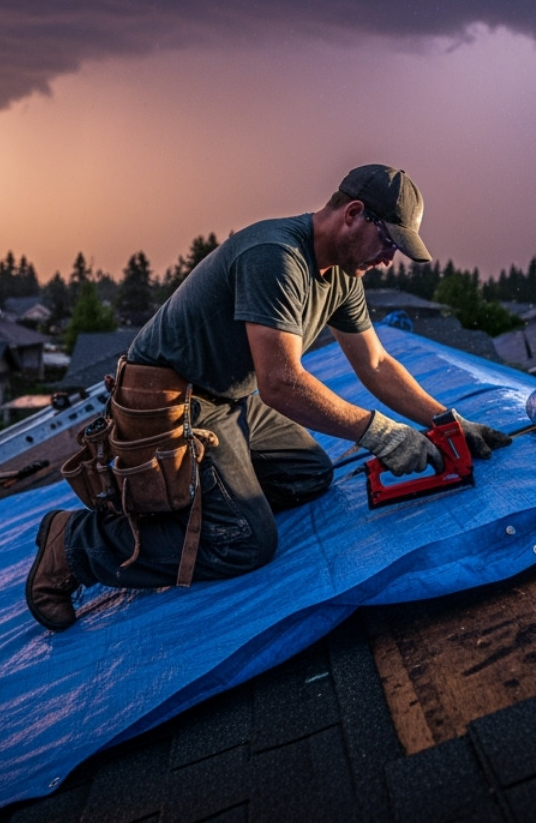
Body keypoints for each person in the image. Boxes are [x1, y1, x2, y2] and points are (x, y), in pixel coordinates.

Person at [26, 164, 511, 630]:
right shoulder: (276, 256)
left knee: (309, 474)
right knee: (245, 542)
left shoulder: (343, 274)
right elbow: (280, 383)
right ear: (353, 213)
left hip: (229, 397)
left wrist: (446, 419)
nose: (388, 260)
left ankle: (212, 495)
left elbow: (378, 365)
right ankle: (72, 544)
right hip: (174, 400)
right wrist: (380, 433)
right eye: (387, 241)